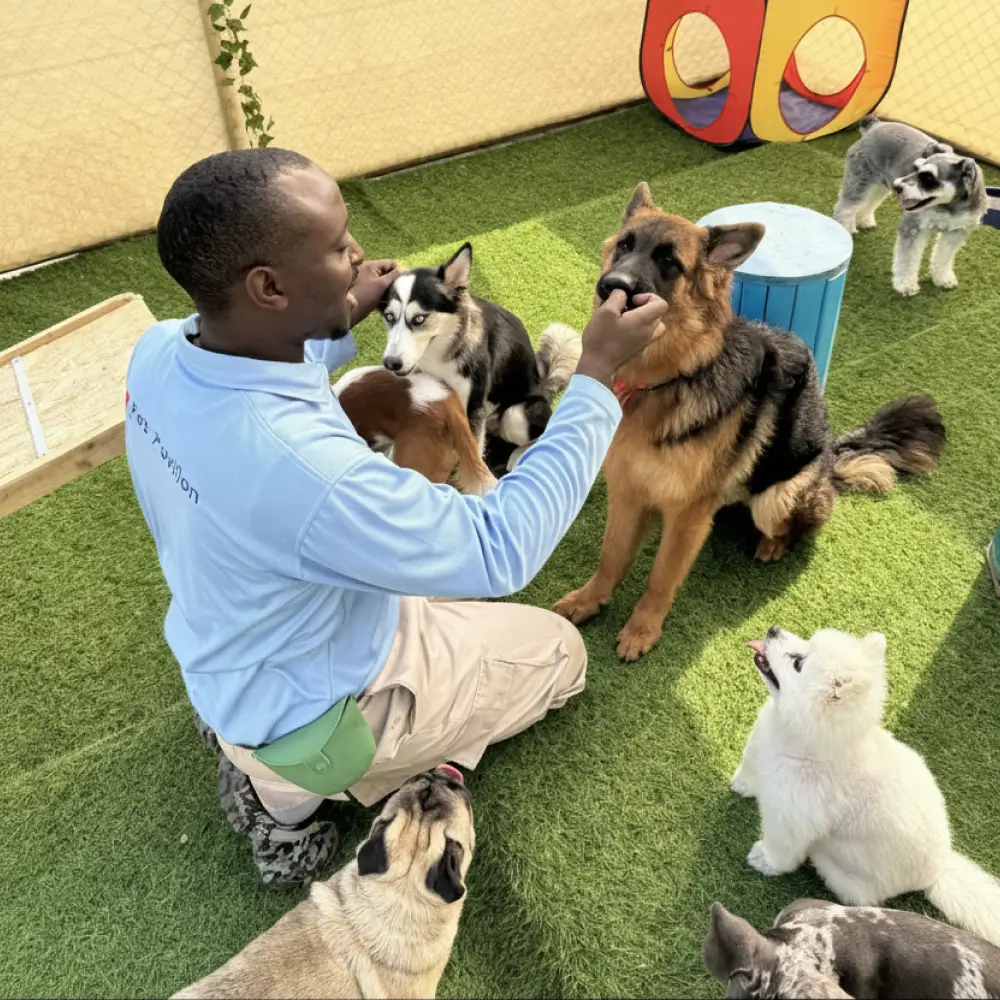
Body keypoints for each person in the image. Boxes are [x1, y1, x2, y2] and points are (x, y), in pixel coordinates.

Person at [125, 147, 668, 887]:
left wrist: (338, 311)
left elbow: (266, 384)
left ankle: (250, 747)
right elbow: (502, 547)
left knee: (423, 576)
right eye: (337, 244)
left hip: (230, 652)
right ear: (268, 286)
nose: (358, 255)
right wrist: (599, 374)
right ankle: (305, 790)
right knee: (559, 654)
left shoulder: (157, 352)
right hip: (323, 703)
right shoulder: (310, 476)